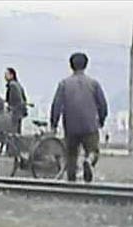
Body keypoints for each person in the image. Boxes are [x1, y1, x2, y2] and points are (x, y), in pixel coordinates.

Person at [50, 52, 108, 182]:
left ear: (71, 66)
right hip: (90, 125)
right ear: (86, 65)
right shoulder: (94, 84)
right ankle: (88, 161)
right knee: (93, 151)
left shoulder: (64, 84)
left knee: (71, 155)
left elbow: (56, 105)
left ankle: (71, 183)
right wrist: (101, 120)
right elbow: (103, 104)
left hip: (70, 125)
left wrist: (54, 124)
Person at [4, 67, 27, 134]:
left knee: (13, 133)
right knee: (17, 132)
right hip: (19, 113)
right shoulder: (18, 85)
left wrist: (10, 109)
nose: (5, 76)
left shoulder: (12, 85)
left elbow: (15, 100)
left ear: (12, 75)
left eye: (6, 74)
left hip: (14, 113)